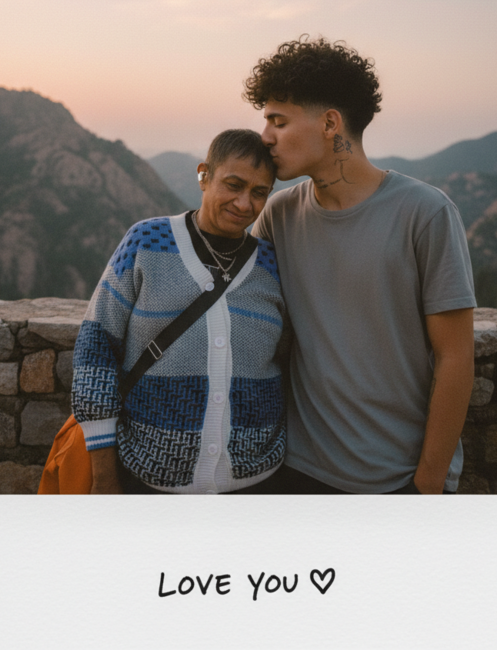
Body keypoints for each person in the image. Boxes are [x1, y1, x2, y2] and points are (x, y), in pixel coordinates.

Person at [244, 36, 476, 495]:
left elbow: (455, 356)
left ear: (330, 123)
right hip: (296, 470)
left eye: (278, 121)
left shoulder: (425, 212)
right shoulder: (278, 215)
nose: (265, 136)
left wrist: (429, 482)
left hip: (397, 478)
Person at [71, 129, 287, 494]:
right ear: (204, 175)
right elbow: (96, 347)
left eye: (259, 192)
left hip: (256, 481)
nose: (244, 203)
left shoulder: (270, 263)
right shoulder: (146, 242)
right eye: (233, 185)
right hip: (148, 479)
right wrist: (104, 476)